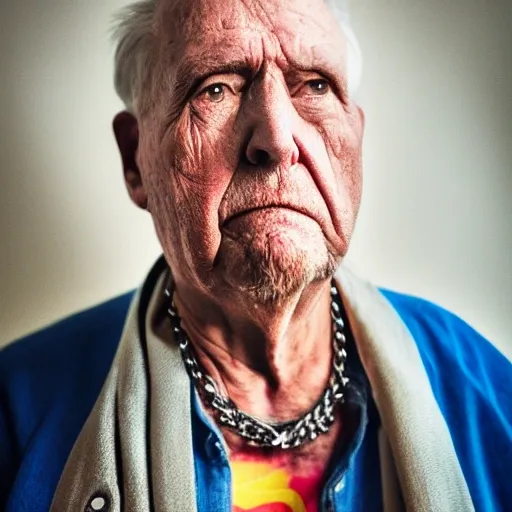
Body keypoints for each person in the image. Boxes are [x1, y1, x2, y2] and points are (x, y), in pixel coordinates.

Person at [0, 0, 511, 510]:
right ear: (136, 158)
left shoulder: (485, 391)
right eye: (216, 88)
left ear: (355, 136)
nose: (277, 138)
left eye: (314, 86)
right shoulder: (17, 414)